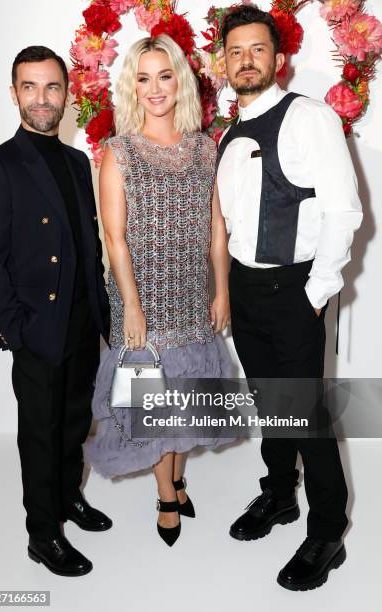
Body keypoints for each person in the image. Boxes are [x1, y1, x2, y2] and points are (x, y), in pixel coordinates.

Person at [216, 5, 362, 591]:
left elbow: (344, 210)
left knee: (306, 414)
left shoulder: (309, 117)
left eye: (257, 49)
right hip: (248, 292)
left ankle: (328, 532)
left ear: (279, 59)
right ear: (223, 62)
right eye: (235, 51)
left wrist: (317, 292)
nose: (245, 60)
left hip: (294, 290)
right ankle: (278, 496)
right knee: (270, 405)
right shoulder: (229, 131)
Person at [85, 34, 232, 547]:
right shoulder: (118, 152)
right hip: (141, 301)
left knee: (185, 399)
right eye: (143, 78)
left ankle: (176, 479)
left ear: (180, 81)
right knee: (151, 403)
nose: (155, 88)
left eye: (164, 75)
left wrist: (223, 290)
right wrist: (129, 303)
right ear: (132, 86)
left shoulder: (203, 148)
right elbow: (115, 237)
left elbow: (216, 226)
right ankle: (167, 493)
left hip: (192, 296)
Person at [0, 46, 112, 577]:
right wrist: (17, 329)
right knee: (40, 429)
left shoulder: (78, 161)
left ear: (66, 94)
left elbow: (88, 243)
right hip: (38, 326)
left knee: (76, 419)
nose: (41, 98)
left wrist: (100, 310)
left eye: (51, 87)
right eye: (29, 87)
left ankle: (67, 499)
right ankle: (42, 533)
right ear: (14, 95)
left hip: (83, 320)